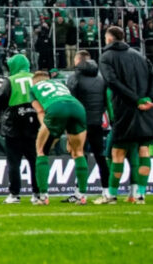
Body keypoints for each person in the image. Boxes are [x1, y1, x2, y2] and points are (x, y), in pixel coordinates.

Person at [96, 26, 153, 205]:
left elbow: (111, 81)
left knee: (117, 152)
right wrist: (149, 99)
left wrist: (135, 100)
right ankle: (140, 195)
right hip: (146, 109)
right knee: (144, 150)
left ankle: (111, 195)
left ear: (109, 39)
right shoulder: (139, 55)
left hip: (125, 110)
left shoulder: (106, 56)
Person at [30, 70, 89, 205]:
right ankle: (81, 195)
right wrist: (68, 135)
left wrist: (46, 129)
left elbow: (40, 111)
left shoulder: (34, 88)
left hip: (55, 108)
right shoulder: (61, 85)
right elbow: (67, 106)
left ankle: (43, 196)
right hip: (78, 108)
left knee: (41, 151)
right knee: (78, 152)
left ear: (35, 81)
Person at [0, 53, 40, 204]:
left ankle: (14, 194)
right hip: (34, 122)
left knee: (14, 162)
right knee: (35, 161)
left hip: (14, 123)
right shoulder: (35, 79)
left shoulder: (10, 80)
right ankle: (37, 193)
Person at [67, 50, 109, 201]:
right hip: (96, 122)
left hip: (80, 123)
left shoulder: (75, 77)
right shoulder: (101, 79)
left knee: (79, 155)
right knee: (100, 156)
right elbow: (106, 102)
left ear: (78, 61)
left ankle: (80, 193)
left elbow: (70, 100)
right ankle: (107, 191)